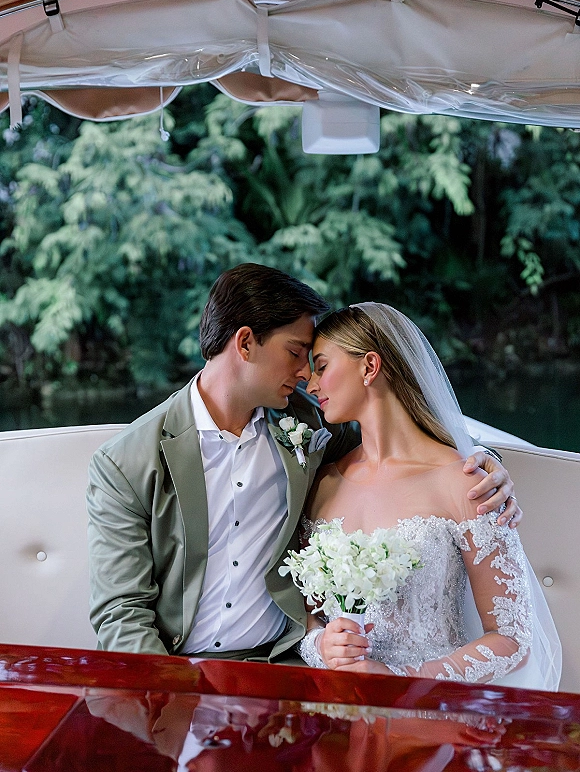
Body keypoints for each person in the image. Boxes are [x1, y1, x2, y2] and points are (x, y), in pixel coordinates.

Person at [87, 264, 520, 661]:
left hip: (288, 661)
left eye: (315, 362)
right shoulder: (127, 462)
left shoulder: (307, 420)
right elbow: (122, 613)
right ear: (244, 343)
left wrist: (486, 465)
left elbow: (408, 442)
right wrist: (169, 696)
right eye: (296, 352)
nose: (305, 376)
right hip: (181, 667)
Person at [299, 303, 561, 689]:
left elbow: (511, 637)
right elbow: (312, 617)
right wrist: (321, 645)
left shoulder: (469, 483)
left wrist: (406, 681)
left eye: (321, 367)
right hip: (337, 705)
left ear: (370, 367)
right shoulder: (323, 483)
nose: (311, 384)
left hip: (431, 709)